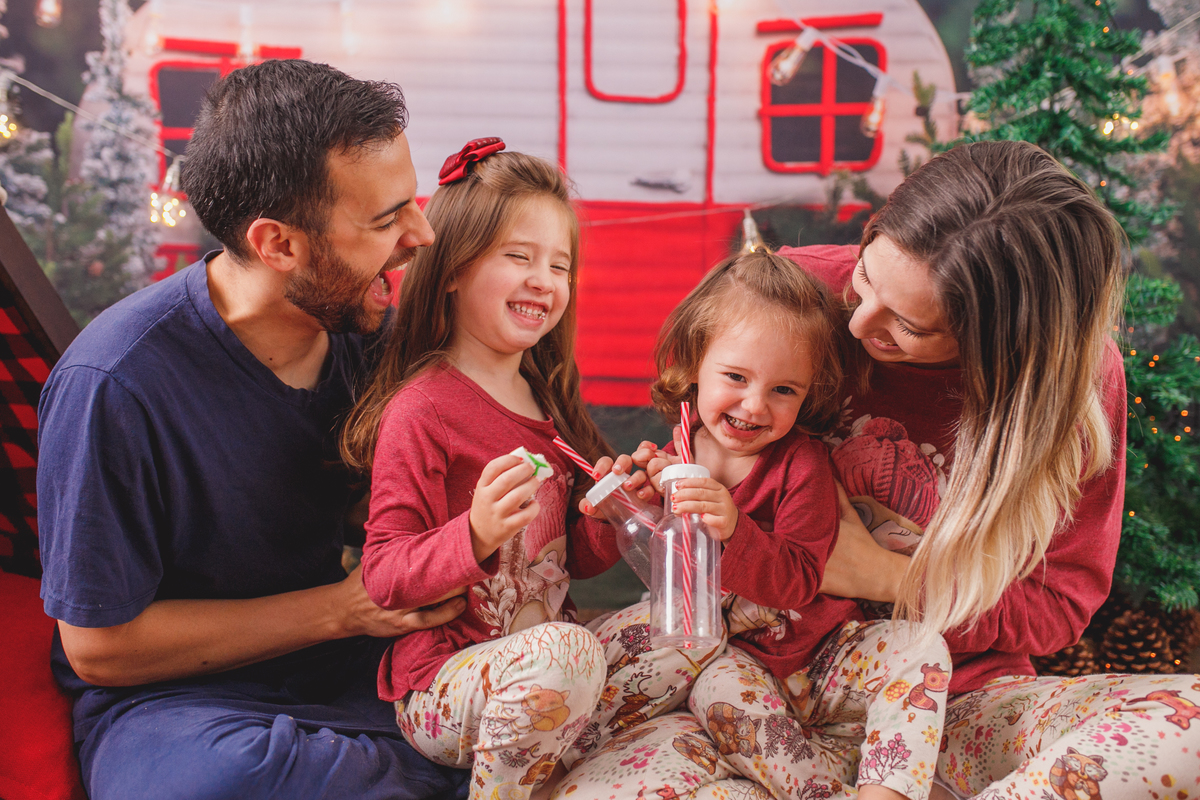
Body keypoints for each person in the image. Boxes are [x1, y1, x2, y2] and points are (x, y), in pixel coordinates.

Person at [557, 141, 1200, 799]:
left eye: (910, 325)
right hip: (749, 691)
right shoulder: (790, 300)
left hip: (948, 703)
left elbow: (1055, 606)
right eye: (865, 276)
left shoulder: (1072, 385)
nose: (859, 324)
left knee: (1190, 728)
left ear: (997, 345)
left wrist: (886, 576)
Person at [36, 60, 470, 800]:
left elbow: (399, 509)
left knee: (515, 709)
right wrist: (341, 610)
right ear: (278, 244)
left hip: (351, 671)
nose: (421, 234)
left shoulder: (373, 338)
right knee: (229, 779)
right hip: (178, 707)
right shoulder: (113, 384)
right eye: (385, 219)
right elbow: (101, 649)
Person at [339, 140, 717, 800]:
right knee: (567, 651)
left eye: (559, 265)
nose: (544, 279)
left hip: (556, 673)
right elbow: (385, 575)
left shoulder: (548, 405)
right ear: (453, 269)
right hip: (447, 684)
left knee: (695, 627)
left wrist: (613, 514)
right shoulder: (422, 408)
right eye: (519, 257)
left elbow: (571, 560)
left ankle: (575, 773)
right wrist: (476, 533)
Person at [557, 249, 952, 800]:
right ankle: (821, 791)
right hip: (739, 669)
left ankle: (889, 789)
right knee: (714, 690)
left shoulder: (802, 464)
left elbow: (800, 579)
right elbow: (599, 563)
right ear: (694, 363)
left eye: (783, 390)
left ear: (809, 392)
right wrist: (617, 512)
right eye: (736, 377)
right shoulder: (672, 459)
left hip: (827, 654)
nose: (754, 405)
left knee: (920, 645)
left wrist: (734, 527)